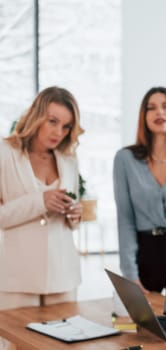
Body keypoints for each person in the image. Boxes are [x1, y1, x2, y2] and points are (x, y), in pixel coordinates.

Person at [0, 87, 84, 307]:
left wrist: (75, 214)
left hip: (63, 276)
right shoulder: (5, 153)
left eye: (66, 126)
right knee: (13, 343)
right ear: (36, 116)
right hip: (17, 278)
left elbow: (70, 223)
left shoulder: (68, 160)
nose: (59, 132)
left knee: (65, 339)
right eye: (52, 121)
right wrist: (40, 201)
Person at [113, 86, 166, 294]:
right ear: (143, 116)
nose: (159, 112)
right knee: (143, 324)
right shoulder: (124, 159)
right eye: (151, 108)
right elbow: (125, 219)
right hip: (144, 254)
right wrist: (130, 275)